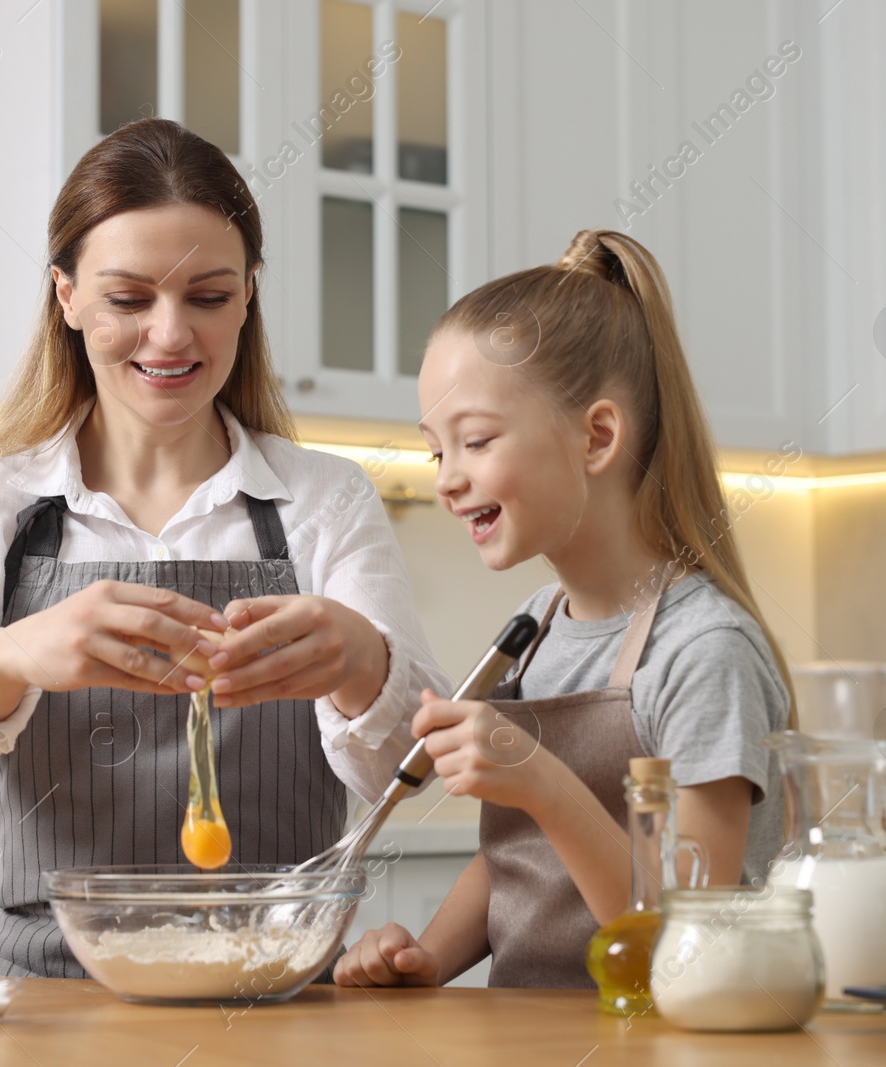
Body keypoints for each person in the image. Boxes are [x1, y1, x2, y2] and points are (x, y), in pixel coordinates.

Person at [0, 118, 447, 978]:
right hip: (43, 995)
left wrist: (364, 661)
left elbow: (421, 762)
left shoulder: (325, 500)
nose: (170, 336)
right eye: (129, 299)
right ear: (66, 297)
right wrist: (12, 657)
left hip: (272, 992)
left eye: (207, 297)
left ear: (249, 292)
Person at [334, 229, 793, 989]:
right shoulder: (536, 628)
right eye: (436, 451)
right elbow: (515, 854)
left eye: (476, 440)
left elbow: (693, 937)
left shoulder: (704, 650)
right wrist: (429, 961)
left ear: (598, 437)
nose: (447, 479)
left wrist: (540, 779)